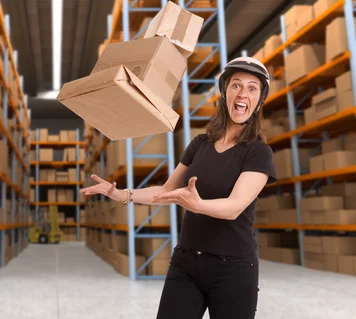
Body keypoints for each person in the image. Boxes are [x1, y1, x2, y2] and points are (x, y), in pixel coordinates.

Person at [80, 56, 277, 319]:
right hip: (186, 262)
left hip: (233, 267)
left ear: (259, 100)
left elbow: (234, 207)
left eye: (252, 88)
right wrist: (121, 194)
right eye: (236, 85)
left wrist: (198, 205)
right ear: (224, 92)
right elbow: (166, 191)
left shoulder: (258, 152)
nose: (243, 93)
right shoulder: (200, 144)